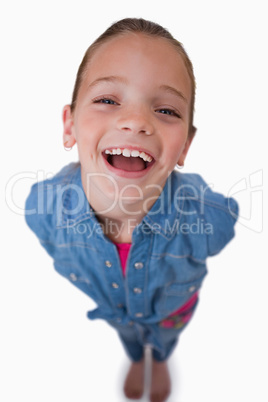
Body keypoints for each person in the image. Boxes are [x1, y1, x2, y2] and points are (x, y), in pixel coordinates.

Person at [25, 18, 239, 402]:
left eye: (167, 111)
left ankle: (158, 357)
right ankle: (135, 357)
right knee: (127, 334)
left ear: (185, 146)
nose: (136, 121)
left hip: (172, 309)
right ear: (70, 124)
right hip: (113, 306)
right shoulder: (44, 209)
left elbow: (228, 220)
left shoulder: (205, 216)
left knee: (165, 335)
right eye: (108, 100)